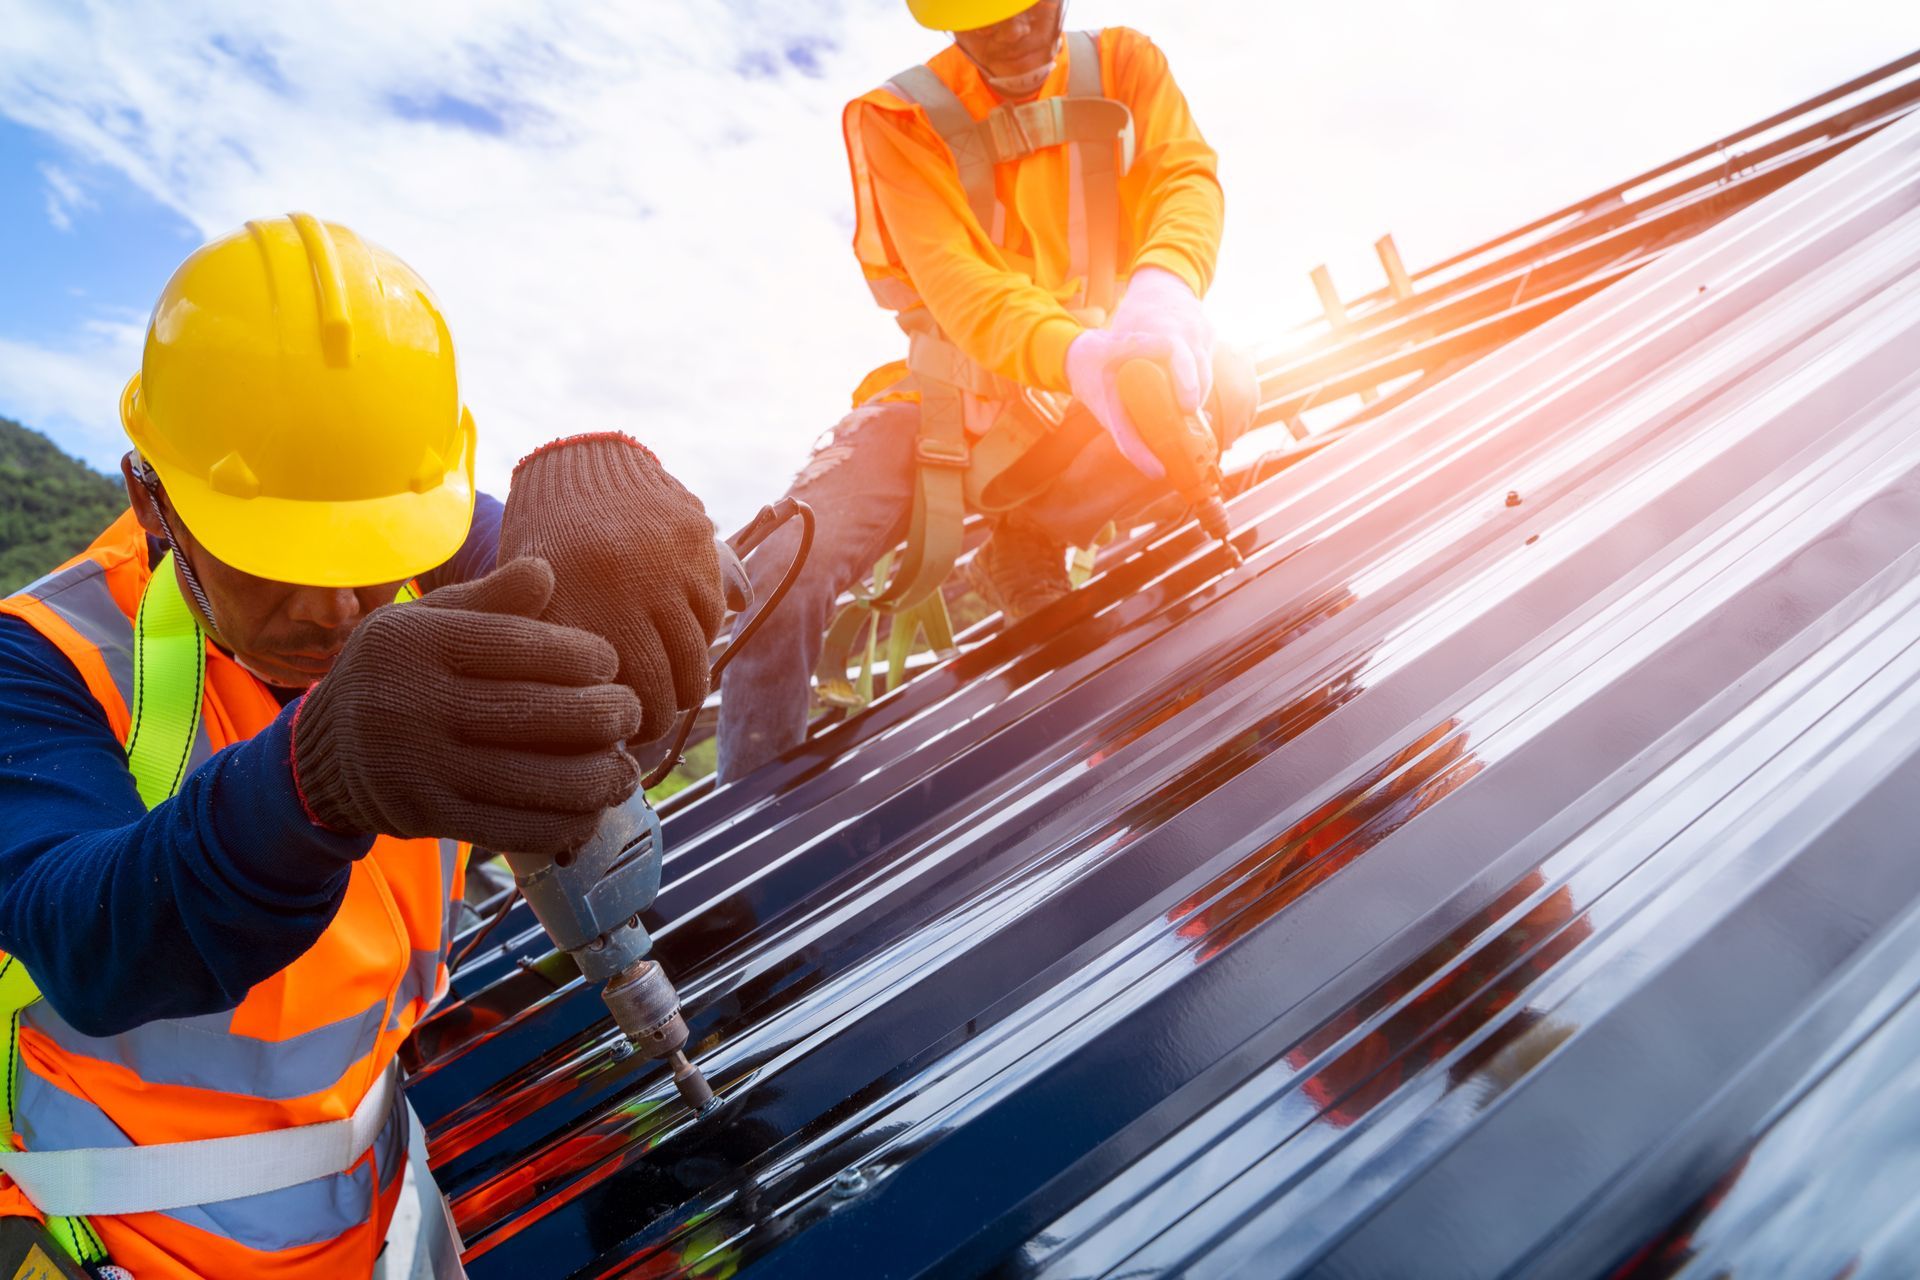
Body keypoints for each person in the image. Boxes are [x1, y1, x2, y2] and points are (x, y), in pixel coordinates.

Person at [0, 214, 725, 1279]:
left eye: (370, 549)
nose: (335, 605)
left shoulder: (423, 547)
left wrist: (597, 485)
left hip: (378, 1204)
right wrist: (310, 782)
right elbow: (88, 936)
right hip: (125, 1238)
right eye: (274, 557)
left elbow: (558, 554)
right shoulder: (41, 661)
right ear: (152, 497)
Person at [716, 0, 1254, 783]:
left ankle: (1026, 540)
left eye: (1029, 8)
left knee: (1227, 383)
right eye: (988, 18)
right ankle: (754, 807)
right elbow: (959, 285)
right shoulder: (899, 121)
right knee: (783, 568)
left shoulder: (1127, 66)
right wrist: (1075, 356)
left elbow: (1183, 178)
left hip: (1087, 390)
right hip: (947, 397)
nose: (1016, 31)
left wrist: (1166, 286)